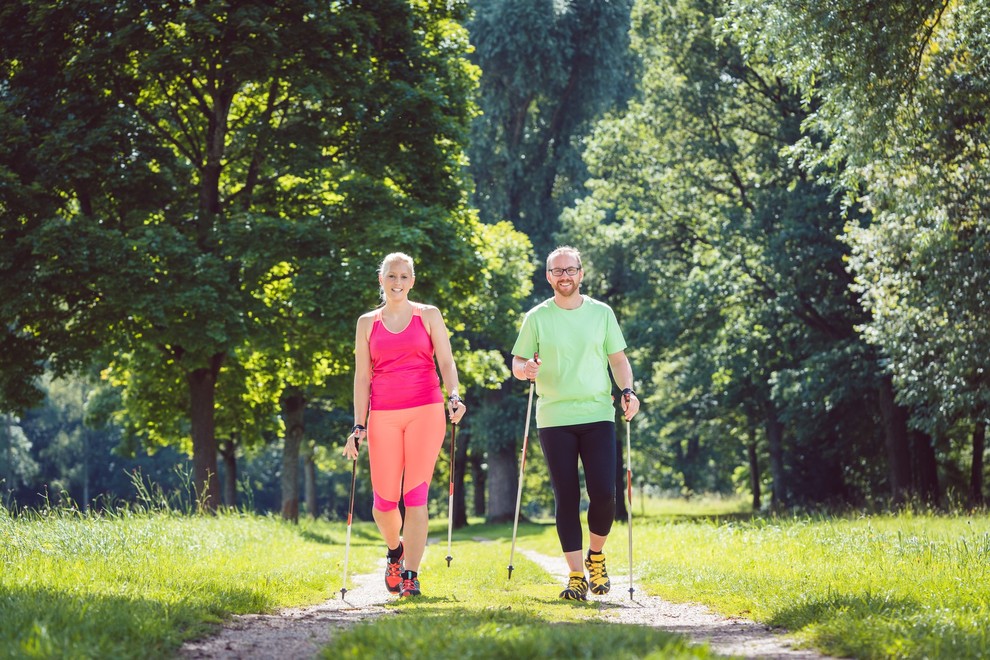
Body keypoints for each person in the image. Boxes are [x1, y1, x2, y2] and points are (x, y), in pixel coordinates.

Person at [510, 245, 640, 600]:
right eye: (557, 271)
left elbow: (618, 360)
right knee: (565, 497)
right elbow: (517, 362)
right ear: (548, 276)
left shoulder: (602, 313)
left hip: (598, 414)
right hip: (553, 418)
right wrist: (525, 370)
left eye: (570, 270)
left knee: (604, 495)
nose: (564, 276)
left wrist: (627, 390)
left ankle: (596, 556)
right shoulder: (537, 317)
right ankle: (576, 576)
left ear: (581, 273)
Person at [342, 252, 466, 598]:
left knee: (415, 496)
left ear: (412, 281)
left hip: (426, 409)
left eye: (404, 277)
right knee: (383, 504)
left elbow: (446, 360)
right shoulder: (367, 323)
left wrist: (454, 395)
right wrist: (358, 424)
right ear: (381, 279)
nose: (398, 283)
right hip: (382, 414)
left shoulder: (428, 315)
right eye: (391, 276)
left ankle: (411, 573)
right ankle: (395, 551)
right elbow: (362, 376)